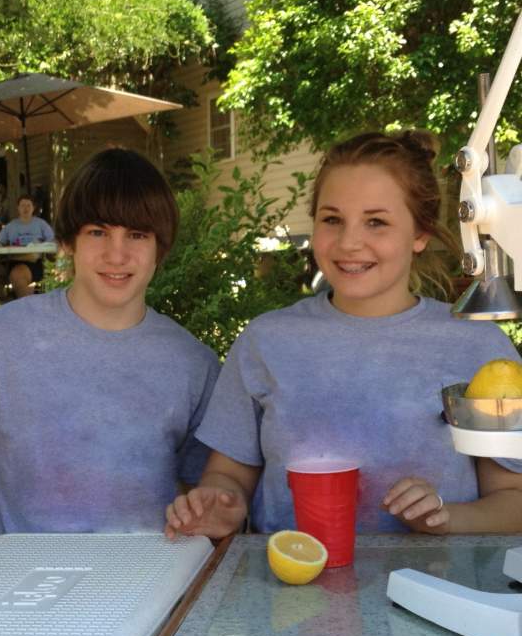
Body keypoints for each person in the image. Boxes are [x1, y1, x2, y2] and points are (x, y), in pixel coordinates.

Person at [165, 130, 522, 541]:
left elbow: (513, 497)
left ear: (420, 233)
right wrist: (220, 504)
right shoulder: (266, 341)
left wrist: (445, 517)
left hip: (438, 593)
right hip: (287, 594)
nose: (350, 242)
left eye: (377, 222)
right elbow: (228, 477)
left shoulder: (479, 347)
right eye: (332, 219)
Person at [0, 148, 220, 540]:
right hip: (20, 588)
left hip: (150, 585)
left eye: (137, 234)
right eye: (98, 232)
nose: (117, 253)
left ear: (161, 247)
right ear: (69, 241)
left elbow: (207, 494)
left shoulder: (194, 364)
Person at [0, 193, 55, 298]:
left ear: (33, 208)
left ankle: (28, 310)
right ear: (18, 208)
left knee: (18, 274)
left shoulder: (41, 224)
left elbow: (53, 241)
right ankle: (5, 306)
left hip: (35, 263)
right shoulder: (11, 226)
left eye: (28, 205)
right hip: (12, 261)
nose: (25, 208)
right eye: (22, 205)